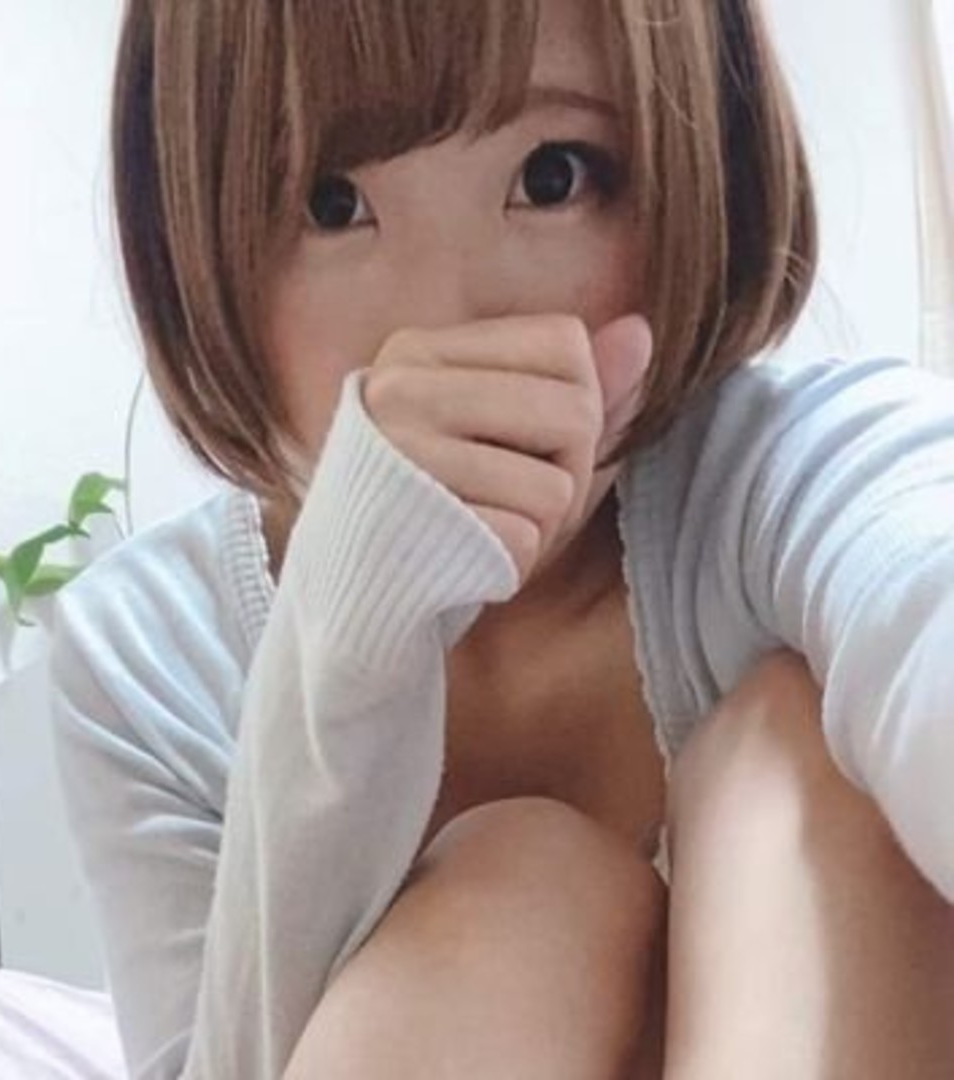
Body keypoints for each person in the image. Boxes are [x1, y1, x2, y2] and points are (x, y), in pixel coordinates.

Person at [49, 0, 954, 1077]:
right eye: (332, 204)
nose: (448, 324)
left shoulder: (795, 475)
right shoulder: (146, 654)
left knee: (795, 743)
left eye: (553, 178)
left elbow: (923, 581)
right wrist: (342, 637)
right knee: (519, 885)